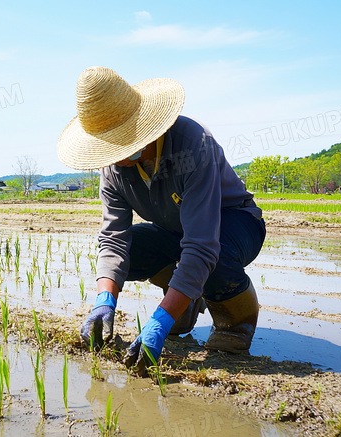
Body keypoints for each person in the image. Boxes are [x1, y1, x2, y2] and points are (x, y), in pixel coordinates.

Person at [57, 67, 266, 373]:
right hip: (176, 232)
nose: (115, 155)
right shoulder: (114, 170)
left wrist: (160, 320)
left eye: (121, 141)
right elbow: (113, 238)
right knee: (134, 248)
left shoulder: (193, 145)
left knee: (214, 257)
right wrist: (104, 300)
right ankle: (185, 299)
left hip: (233, 225)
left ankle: (237, 321)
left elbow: (202, 245)